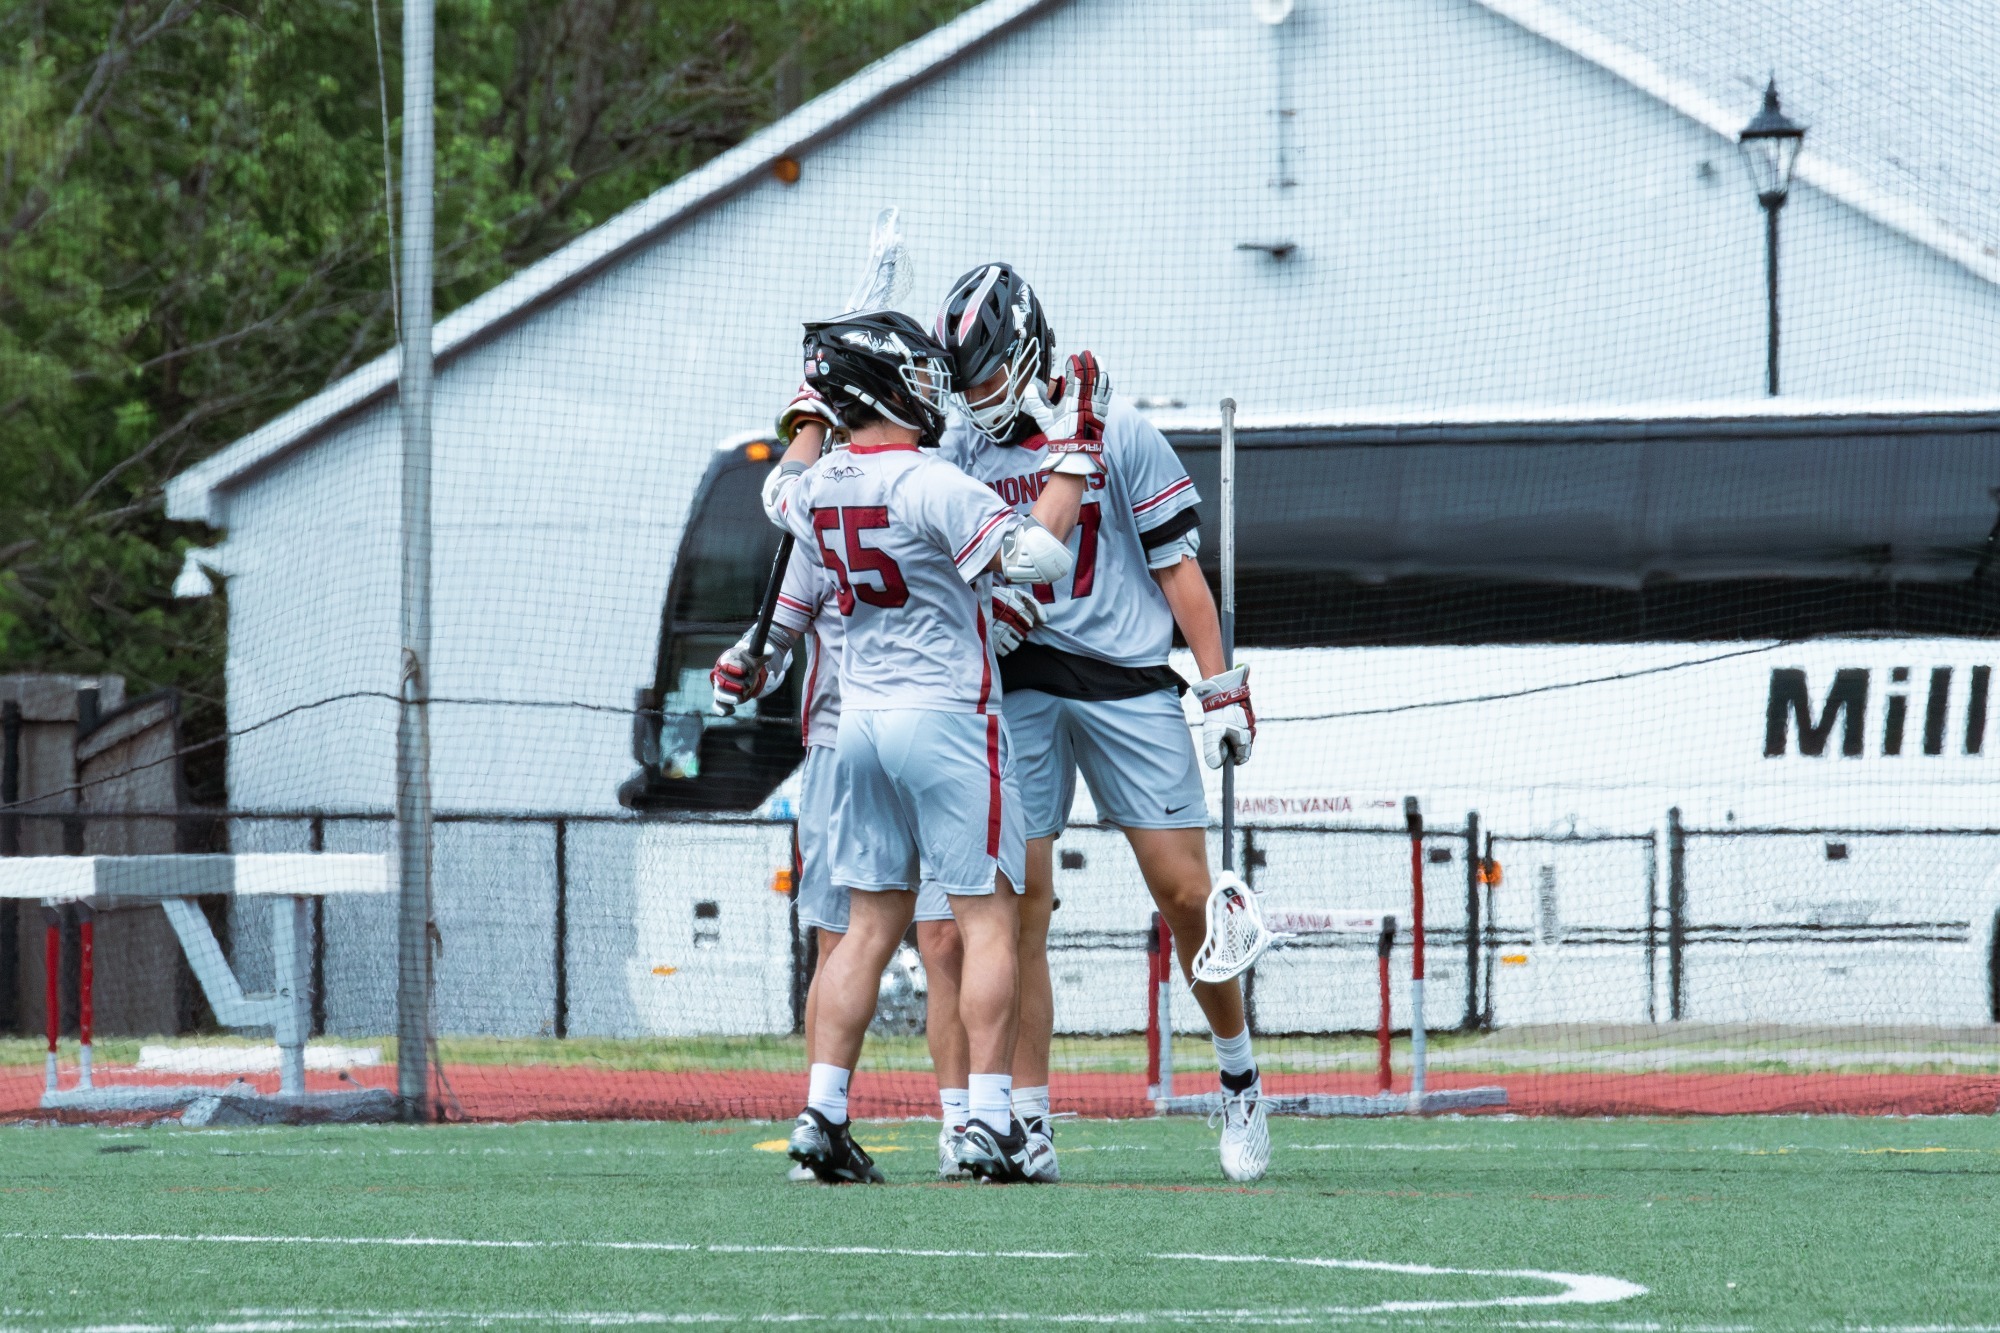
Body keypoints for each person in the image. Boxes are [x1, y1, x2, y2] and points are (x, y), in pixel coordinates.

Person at [932, 263, 1266, 1183]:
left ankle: (1239, 1077)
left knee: (1186, 895)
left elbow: (1175, 571)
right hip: (1024, 686)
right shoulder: (965, 449)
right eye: (967, 380)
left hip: (1125, 683)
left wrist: (1219, 684)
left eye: (992, 373)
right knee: (1019, 912)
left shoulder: (1116, 430)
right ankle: (1029, 1121)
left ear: (1030, 346)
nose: (980, 396)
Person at [762, 309, 1095, 1183]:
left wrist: (805, 417)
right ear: (888, 387)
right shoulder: (931, 482)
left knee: (868, 927)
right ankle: (988, 1120)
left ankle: (822, 1113)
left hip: (860, 724)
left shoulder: (817, 485)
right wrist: (1073, 454)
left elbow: (779, 489)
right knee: (987, 919)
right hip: (947, 717)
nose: (936, 385)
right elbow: (1037, 561)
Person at [712, 530, 978, 1179]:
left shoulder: (943, 481)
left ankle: (962, 1127)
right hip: (844, 738)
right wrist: (749, 664)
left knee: (948, 939)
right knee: (840, 939)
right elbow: (776, 632)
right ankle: (822, 1120)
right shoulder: (825, 500)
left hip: (945, 730)